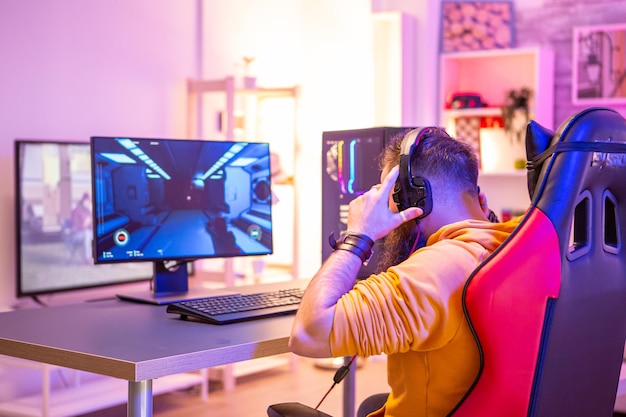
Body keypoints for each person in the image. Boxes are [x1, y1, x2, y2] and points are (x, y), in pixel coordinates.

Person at [289, 127, 522, 417]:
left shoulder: (434, 272)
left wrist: (358, 236)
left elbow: (307, 334)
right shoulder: (521, 245)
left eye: (388, 197)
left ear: (415, 201)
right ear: (477, 196)